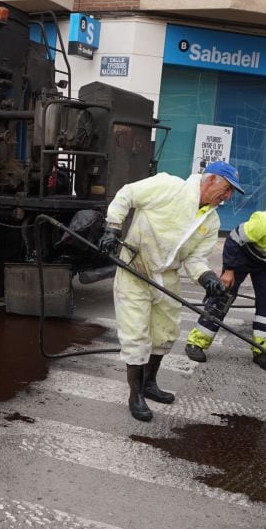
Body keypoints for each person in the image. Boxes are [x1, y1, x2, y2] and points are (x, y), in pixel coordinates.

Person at [99, 162, 245, 422]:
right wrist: (112, 228)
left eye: (232, 192)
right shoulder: (168, 186)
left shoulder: (211, 220)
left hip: (166, 277)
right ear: (211, 179)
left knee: (165, 332)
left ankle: (149, 383)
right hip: (136, 269)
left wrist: (208, 278)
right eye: (227, 188)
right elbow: (127, 195)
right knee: (136, 334)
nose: (228, 196)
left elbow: (195, 259)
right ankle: (135, 395)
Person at [184, 205, 266, 372]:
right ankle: (196, 343)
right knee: (222, 296)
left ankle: (262, 351)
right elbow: (234, 238)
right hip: (242, 255)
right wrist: (228, 270)